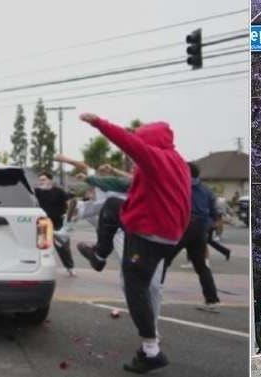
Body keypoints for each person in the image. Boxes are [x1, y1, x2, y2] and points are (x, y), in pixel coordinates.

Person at [77, 113, 191, 373]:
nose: (132, 161)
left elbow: (128, 143)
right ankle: (100, 254)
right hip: (168, 233)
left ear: (149, 143)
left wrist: (98, 123)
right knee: (113, 204)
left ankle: (151, 350)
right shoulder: (179, 162)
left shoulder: (155, 159)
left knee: (135, 287)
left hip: (148, 235)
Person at [165, 163, 221, 312]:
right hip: (200, 229)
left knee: (164, 260)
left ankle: (151, 293)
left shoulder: (180, 187)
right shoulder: (206, 191)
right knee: (201, 265)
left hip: (184, 226)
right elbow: (215, 215)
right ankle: (212, 300)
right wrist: (207, 226)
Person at [34, 172, 76, 276]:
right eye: (40, 180)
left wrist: (69, 215)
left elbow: (70, 200)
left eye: (43, 179)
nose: (41, 182)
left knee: (63, 247)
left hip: (58, 223)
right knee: (42, 246)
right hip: (43, 223)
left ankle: (70, 267)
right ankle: (42, 268)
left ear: (50, 180)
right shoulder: (37, 192)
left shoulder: (59, 191)